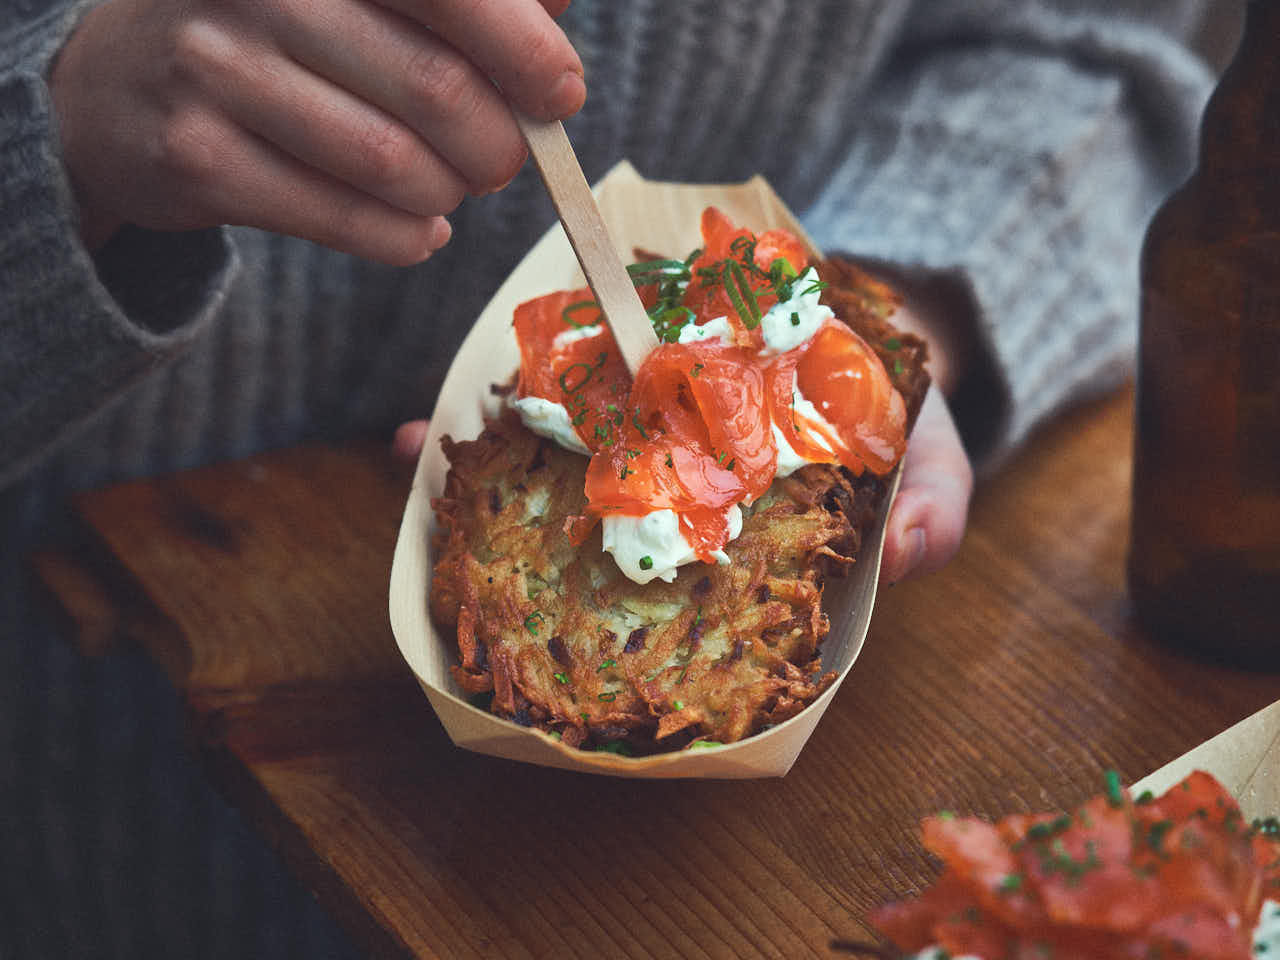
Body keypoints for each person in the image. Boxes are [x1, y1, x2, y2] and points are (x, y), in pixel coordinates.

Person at [0, 0, 1215, 955]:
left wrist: (893, 318)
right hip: (86, 760)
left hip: (716, 885)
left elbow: (1085, 48)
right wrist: (55, 130)